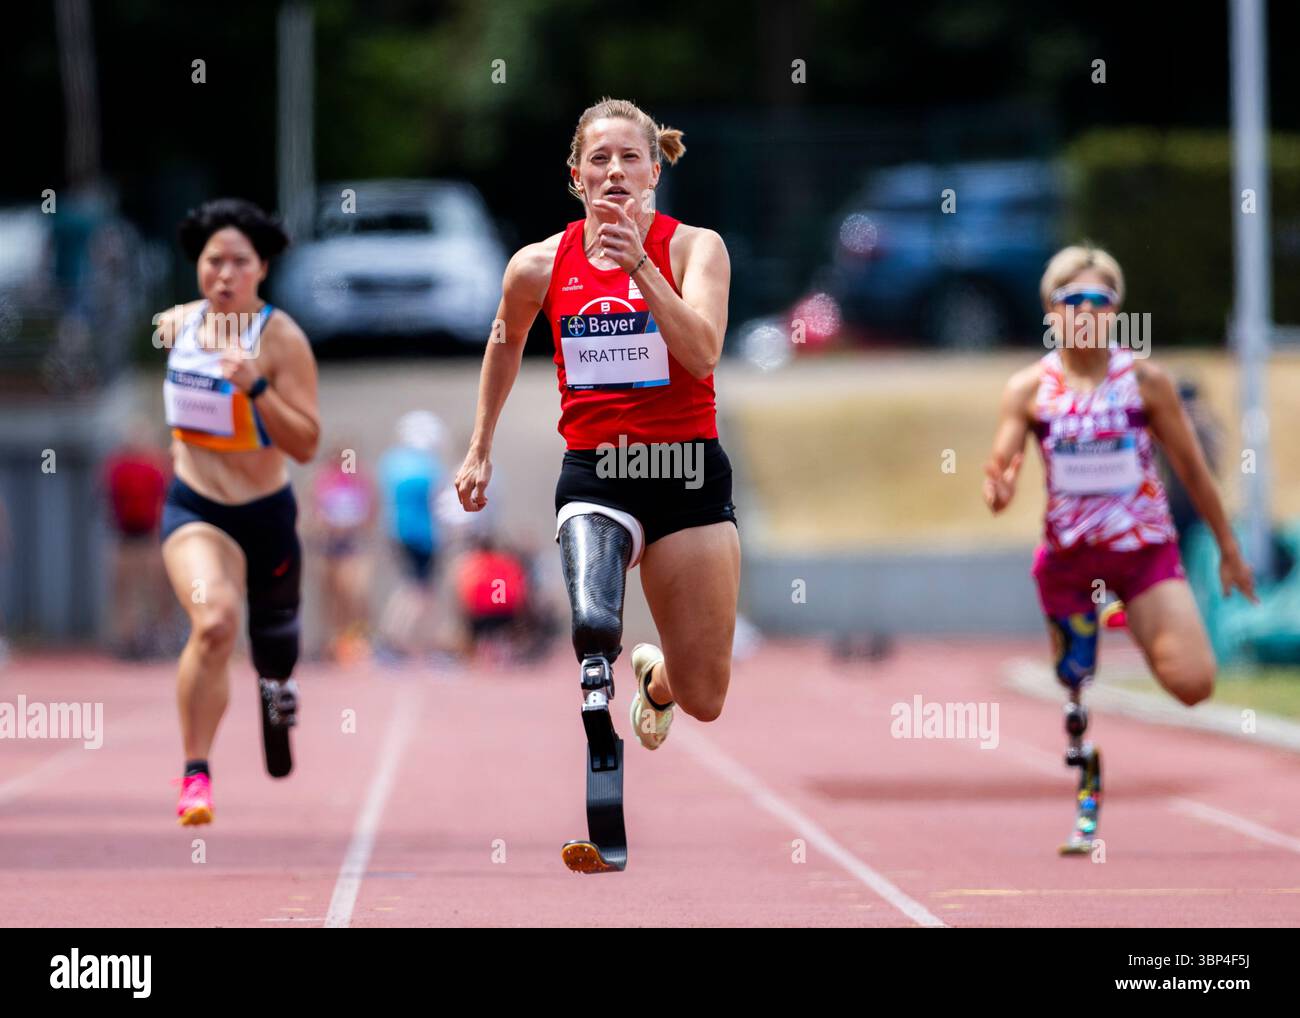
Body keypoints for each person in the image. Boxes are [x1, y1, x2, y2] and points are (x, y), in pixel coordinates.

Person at [453, 97, 741, 869]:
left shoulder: (695, 250)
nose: (614, 171)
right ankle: (598, 724)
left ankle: (657, 683)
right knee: (592, 619)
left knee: (707, 696)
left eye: (629, 158)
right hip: (598, 471)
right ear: (576, 176)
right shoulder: (538, 265)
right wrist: (480, 446)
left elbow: (704, 352)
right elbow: (505, 343)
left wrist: (640, 264)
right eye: (599, 159)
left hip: (685, 475)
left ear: (654, 170)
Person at [983, 243, 1256, 849]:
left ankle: (1130, 615)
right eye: (1072, 300)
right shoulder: (1029, 389)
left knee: (1194, 684)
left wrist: (1230, 549)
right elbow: (1000, 471)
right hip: (1069, 565)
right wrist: (997, 486)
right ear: (1051, 313)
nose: (1086, 311)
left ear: (1116, 311)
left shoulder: (1146, 382)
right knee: (1074, 678)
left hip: (1142, 559)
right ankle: (1086, 778)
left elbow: (1192, 470)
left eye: (1099, 300)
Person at [158, 198, 320, 825]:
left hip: (267, 514)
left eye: (238, 263)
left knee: (274, 651)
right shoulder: (172, 327)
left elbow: (306, 443)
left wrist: (256, 387)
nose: (224, 274)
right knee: (216, 623)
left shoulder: (281, 340)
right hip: (196, 509)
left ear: (262, 270)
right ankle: (196, 773)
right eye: (212, 261)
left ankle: (277, 688)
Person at [376, 411, 446, 659]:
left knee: (413, 588)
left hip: (398, 533)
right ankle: (392, 639)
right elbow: (439, 504)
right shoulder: (428, 468)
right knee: (418, 591)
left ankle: (404, 641)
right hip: (423, 536)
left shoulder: (391, 463)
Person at [102, 418, 172, 659]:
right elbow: (111, 500)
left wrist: (157, 537)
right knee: (124, 589)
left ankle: (155, 636)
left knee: (153, 589)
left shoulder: (156, 466)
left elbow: (162, 500)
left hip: (149, 535)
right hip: (126, 536)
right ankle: (128, 637)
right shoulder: (118, 466)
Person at [309, 443, 377, 663]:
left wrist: (358, 528)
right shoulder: (324, 479)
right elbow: (315, 510)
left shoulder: (358, 478)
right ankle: (334, 640)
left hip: (351, 545)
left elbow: (370, 509)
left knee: (354, 592)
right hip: (330, 546)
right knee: (333, 596)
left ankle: (356, 638)